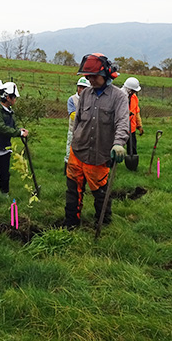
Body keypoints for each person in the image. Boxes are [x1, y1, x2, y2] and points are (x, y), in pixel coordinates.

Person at [63, 53, 129, 229]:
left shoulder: (119, 97)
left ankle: (103, 224)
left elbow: (123, 122)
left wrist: (119, 143)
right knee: (72, 190)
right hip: (78, 150)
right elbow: (77, 122)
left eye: (93, 76)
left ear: (106, 74)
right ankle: (71, 224)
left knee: (100, 193)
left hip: (99, 154)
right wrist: (73, 141)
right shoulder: (85, 95)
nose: (89, 79)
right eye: (87, 76)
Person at [65, 77, 91, 168]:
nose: (81, 89)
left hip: (87, 132)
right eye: (80, 87)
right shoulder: (72, 99)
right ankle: (67, 168)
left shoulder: (91, 100)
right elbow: (73, 115)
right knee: (70, 149)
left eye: (84, 88)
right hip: (74, 130)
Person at [120, 77, 144, 164]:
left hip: (132, 128)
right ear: (128, 89)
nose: (134, 92)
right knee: (117, 146)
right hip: (120, 128)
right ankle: (111, 163)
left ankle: (132, 164)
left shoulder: (134, 98)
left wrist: (139, 125)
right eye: (133, 90)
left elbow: (136, 112)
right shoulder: (119, 96)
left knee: (132, 147)